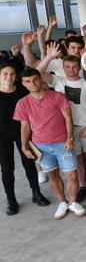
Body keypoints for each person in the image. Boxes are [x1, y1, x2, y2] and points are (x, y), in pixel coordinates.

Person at [36, 44, 86, 201]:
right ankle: (82, 186)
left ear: (79, 68)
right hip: (67, 130)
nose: (71, 70)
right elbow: (37, 73)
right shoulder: (57, 81)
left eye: (74, 67)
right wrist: (48, 57)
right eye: (67, 67)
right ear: (63, 67)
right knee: (78, 159)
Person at [13, 68, 86, 219]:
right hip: (41, 146)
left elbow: (68, 118)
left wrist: (70, 138)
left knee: (72, 174)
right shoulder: (22, 103)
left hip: (63, 143)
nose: (32, 83)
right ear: (23, 84)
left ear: (40, 79)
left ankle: (73, 202)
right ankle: (63, 203)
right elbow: (25, 126)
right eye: (28, 81)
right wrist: (23, 146)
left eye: (35, 79)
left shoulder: (57, 96)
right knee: (52, 176)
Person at [0, 63, 50, 215]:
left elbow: (35, 77)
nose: (9, 77)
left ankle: (36, 193)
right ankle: (11, 199)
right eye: (5, 74)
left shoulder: (22, 90)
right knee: (7, 168)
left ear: (16, 77)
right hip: (2, 135)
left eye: (12, 74)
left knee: (29, 163)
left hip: (24, 132)